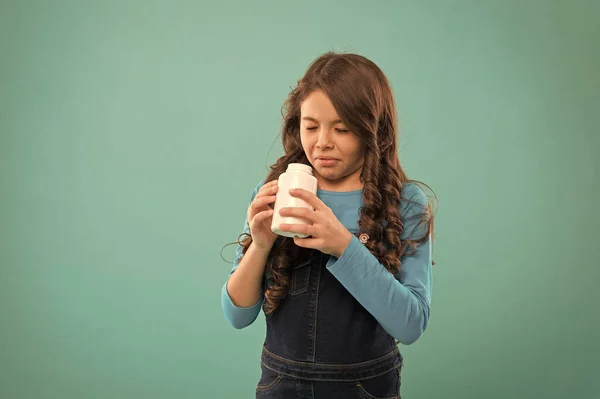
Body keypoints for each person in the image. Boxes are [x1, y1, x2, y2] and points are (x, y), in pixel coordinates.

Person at [221, 51, 436, 399]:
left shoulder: (405, 203)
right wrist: (259, 246)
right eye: (310, 127)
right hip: (281, 385)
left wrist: (344, 246)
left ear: (373, 131)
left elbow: (411, 325)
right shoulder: (273, 192)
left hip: (365, 387)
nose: (322, 142)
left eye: (342, 128)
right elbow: (236, 315)